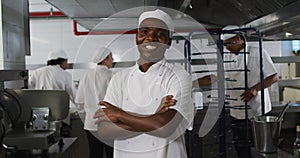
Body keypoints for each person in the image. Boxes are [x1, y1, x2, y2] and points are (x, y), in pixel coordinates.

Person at [93, 9, 194, 158]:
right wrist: (154, 117)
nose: (150, 38)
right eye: (144, 32)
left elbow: (165, 127)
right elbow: (104, 130)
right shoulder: (119, 79)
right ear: (137, 37)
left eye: (160, 34)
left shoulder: (178, 76)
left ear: (169, 42)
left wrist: (120, 115)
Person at [195, 25, 278, 157]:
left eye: (228, 44)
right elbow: (215, 77)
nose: (227, 47)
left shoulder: (258, 52)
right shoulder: (226, 57)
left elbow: (273, 76)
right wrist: (192, 83)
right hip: (236, 112)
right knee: (242, 150)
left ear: (238, 38)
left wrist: (255, 89)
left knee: (260, 150)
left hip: (257, 111)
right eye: (225, 45)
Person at [75, 47, 114, 158]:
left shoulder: (86, 75)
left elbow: (79, 100)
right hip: (110, 123)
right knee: (111, 154)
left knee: (95, 153)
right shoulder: (112, 76)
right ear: (105, 59)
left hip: (91, 124)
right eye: (111, 57)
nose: (113, 59)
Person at [28, 49, 77, 136]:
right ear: (63, 61)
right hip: (60, 115)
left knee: (41, 139)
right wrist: (81, 107)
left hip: (39, 115)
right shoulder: (65, 75)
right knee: (61, 140)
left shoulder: (36, 72)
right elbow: (74, 95)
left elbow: (30, 91)